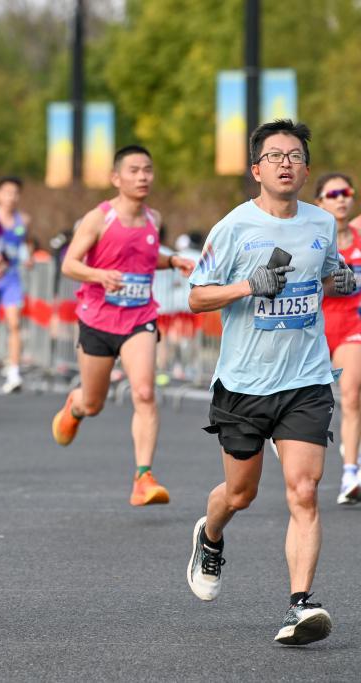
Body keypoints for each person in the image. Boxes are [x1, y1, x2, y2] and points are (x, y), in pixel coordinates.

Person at [186, 120, 355, 645]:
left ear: (306, 169)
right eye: (275, 156)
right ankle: (211, 534)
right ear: (256, 169)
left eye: (296, 156)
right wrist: (246, 286)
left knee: (305, 490)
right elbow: (196, 296)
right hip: (244, 383)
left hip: (306, 379)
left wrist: (342, 280)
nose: (286, 163)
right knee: (240, 493)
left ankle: (300, 605)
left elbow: (327, 275)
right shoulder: (233, 227)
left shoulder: (321, 223)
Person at [51, 145, 195, 505]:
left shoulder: (153, 219)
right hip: (98, 319)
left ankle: (143, 477)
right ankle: (76, 406)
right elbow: (69, 264)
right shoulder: (99, 218)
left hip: (139, 317)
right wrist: (99, 275)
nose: (143, 177)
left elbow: (145, 255)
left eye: (147, 170)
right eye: (134, 170)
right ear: (116, 178)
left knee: (144, 393)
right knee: (94, 403)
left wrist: (172, 261)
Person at [314, 174, 361, 505]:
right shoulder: (314, 239)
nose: (341, 198)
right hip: (315, 327)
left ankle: (349, 474)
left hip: (352, 326)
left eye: (346, 192)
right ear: (319, 203)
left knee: (352, 395)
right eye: (333, 194)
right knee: (306, 405)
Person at [0, 176, 32, 394]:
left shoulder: (23, 220)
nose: (11, 197)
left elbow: (24, 245)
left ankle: (14, 372)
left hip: (11, 278)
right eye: (7, 192)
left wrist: (28, 257)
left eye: (15, 193)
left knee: (14, 323)